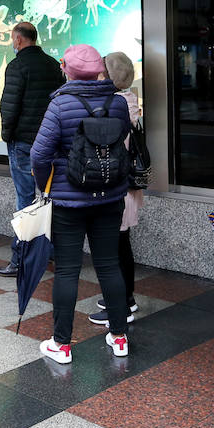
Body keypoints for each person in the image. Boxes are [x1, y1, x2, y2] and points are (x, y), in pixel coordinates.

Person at [30, 44, 133, 364]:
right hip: (110, 197)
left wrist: (46, 184)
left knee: (67, 270)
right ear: (99, 69)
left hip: (68, 202)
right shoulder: (118, 103)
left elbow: (38, 155)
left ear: (67, 70)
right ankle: (119, 337)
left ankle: (61, 344)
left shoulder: (60, 105)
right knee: (109, 265)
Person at [0, 21, 64, 277]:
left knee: (25, 200)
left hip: (23, 142)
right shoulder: (52, 65)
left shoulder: (17, 66)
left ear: (18, 39)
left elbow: (9, 106)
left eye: (12, 39)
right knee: (49, 199)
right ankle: (52, 253)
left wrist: (7, 135)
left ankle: (21, 259)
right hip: (50, 142)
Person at [88, 51, 143, 328]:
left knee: (114, 248)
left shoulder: (115, 105)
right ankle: (125, 299)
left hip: (117, 186)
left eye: (101, 71)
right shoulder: (129, 100)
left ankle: (120, 307)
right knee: (121, 245)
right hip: (127, 185)